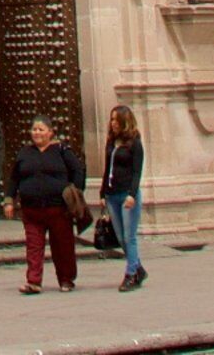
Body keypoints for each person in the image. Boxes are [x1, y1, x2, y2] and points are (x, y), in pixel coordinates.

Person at [9, 115, 85, 295]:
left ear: (50, 132)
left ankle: (66, 279)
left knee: (62, 245)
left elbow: (78, 170)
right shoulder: (25, 153)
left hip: (58, 208)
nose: (37, 133)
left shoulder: (61, 151)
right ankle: (34, 281)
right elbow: (14, 178)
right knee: (34, 246)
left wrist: (75, 192)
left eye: (41, 129)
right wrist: (9, 200)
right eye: (34, 129)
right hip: (31, 209)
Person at [99, 105, 147, 292]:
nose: (113, 123)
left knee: (129, 236)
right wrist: (102, 193)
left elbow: (137, 171)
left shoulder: (135, 143)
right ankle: (137, 267)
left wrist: (132, 194)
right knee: (120, 237)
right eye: (111, 119)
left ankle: (131, 274)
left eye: (116, 119)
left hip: (127, 194)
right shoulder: (111, 142)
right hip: (112, 194)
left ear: (125, 121)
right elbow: (107, 169)